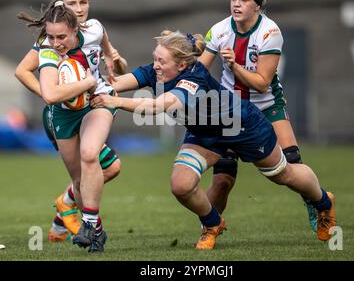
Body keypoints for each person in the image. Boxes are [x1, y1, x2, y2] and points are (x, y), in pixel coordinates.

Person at [90, 30, 336, 249]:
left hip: (243, 127)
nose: (155, 66)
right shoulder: (156, 72)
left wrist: (115, 102)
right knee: (181, 185)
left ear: (183, 65)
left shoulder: (192, 78)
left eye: (161, 61)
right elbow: (115, 84)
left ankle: (323, 202)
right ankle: (212, 224)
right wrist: (86, 81)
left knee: (284, 174)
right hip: (205, 134)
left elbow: (158, 106)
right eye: (155, 58)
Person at [199, 0, 318, 232]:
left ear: (258, 7)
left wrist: (234, 65)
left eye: (244, 0)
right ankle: (210, 228)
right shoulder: (218, 30)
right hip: (230, 110)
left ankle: (316, 201)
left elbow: (262, 83)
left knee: (292, 163)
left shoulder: (270, 32)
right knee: (222, 179)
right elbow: (199, 69)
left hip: (267, 105)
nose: (237, 4)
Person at [15, 0, 127, 243]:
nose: (78, 8)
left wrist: (117, 63)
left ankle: (81, 220)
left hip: (95, 104)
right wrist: (49, 94)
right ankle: (65, 209)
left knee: (97, 163)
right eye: (72, 3)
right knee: (89, 177)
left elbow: (113, 61)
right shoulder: (49, 43)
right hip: (63, 112)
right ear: (61, 7)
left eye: (83, 2)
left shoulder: (96, 29)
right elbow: (23, 72)